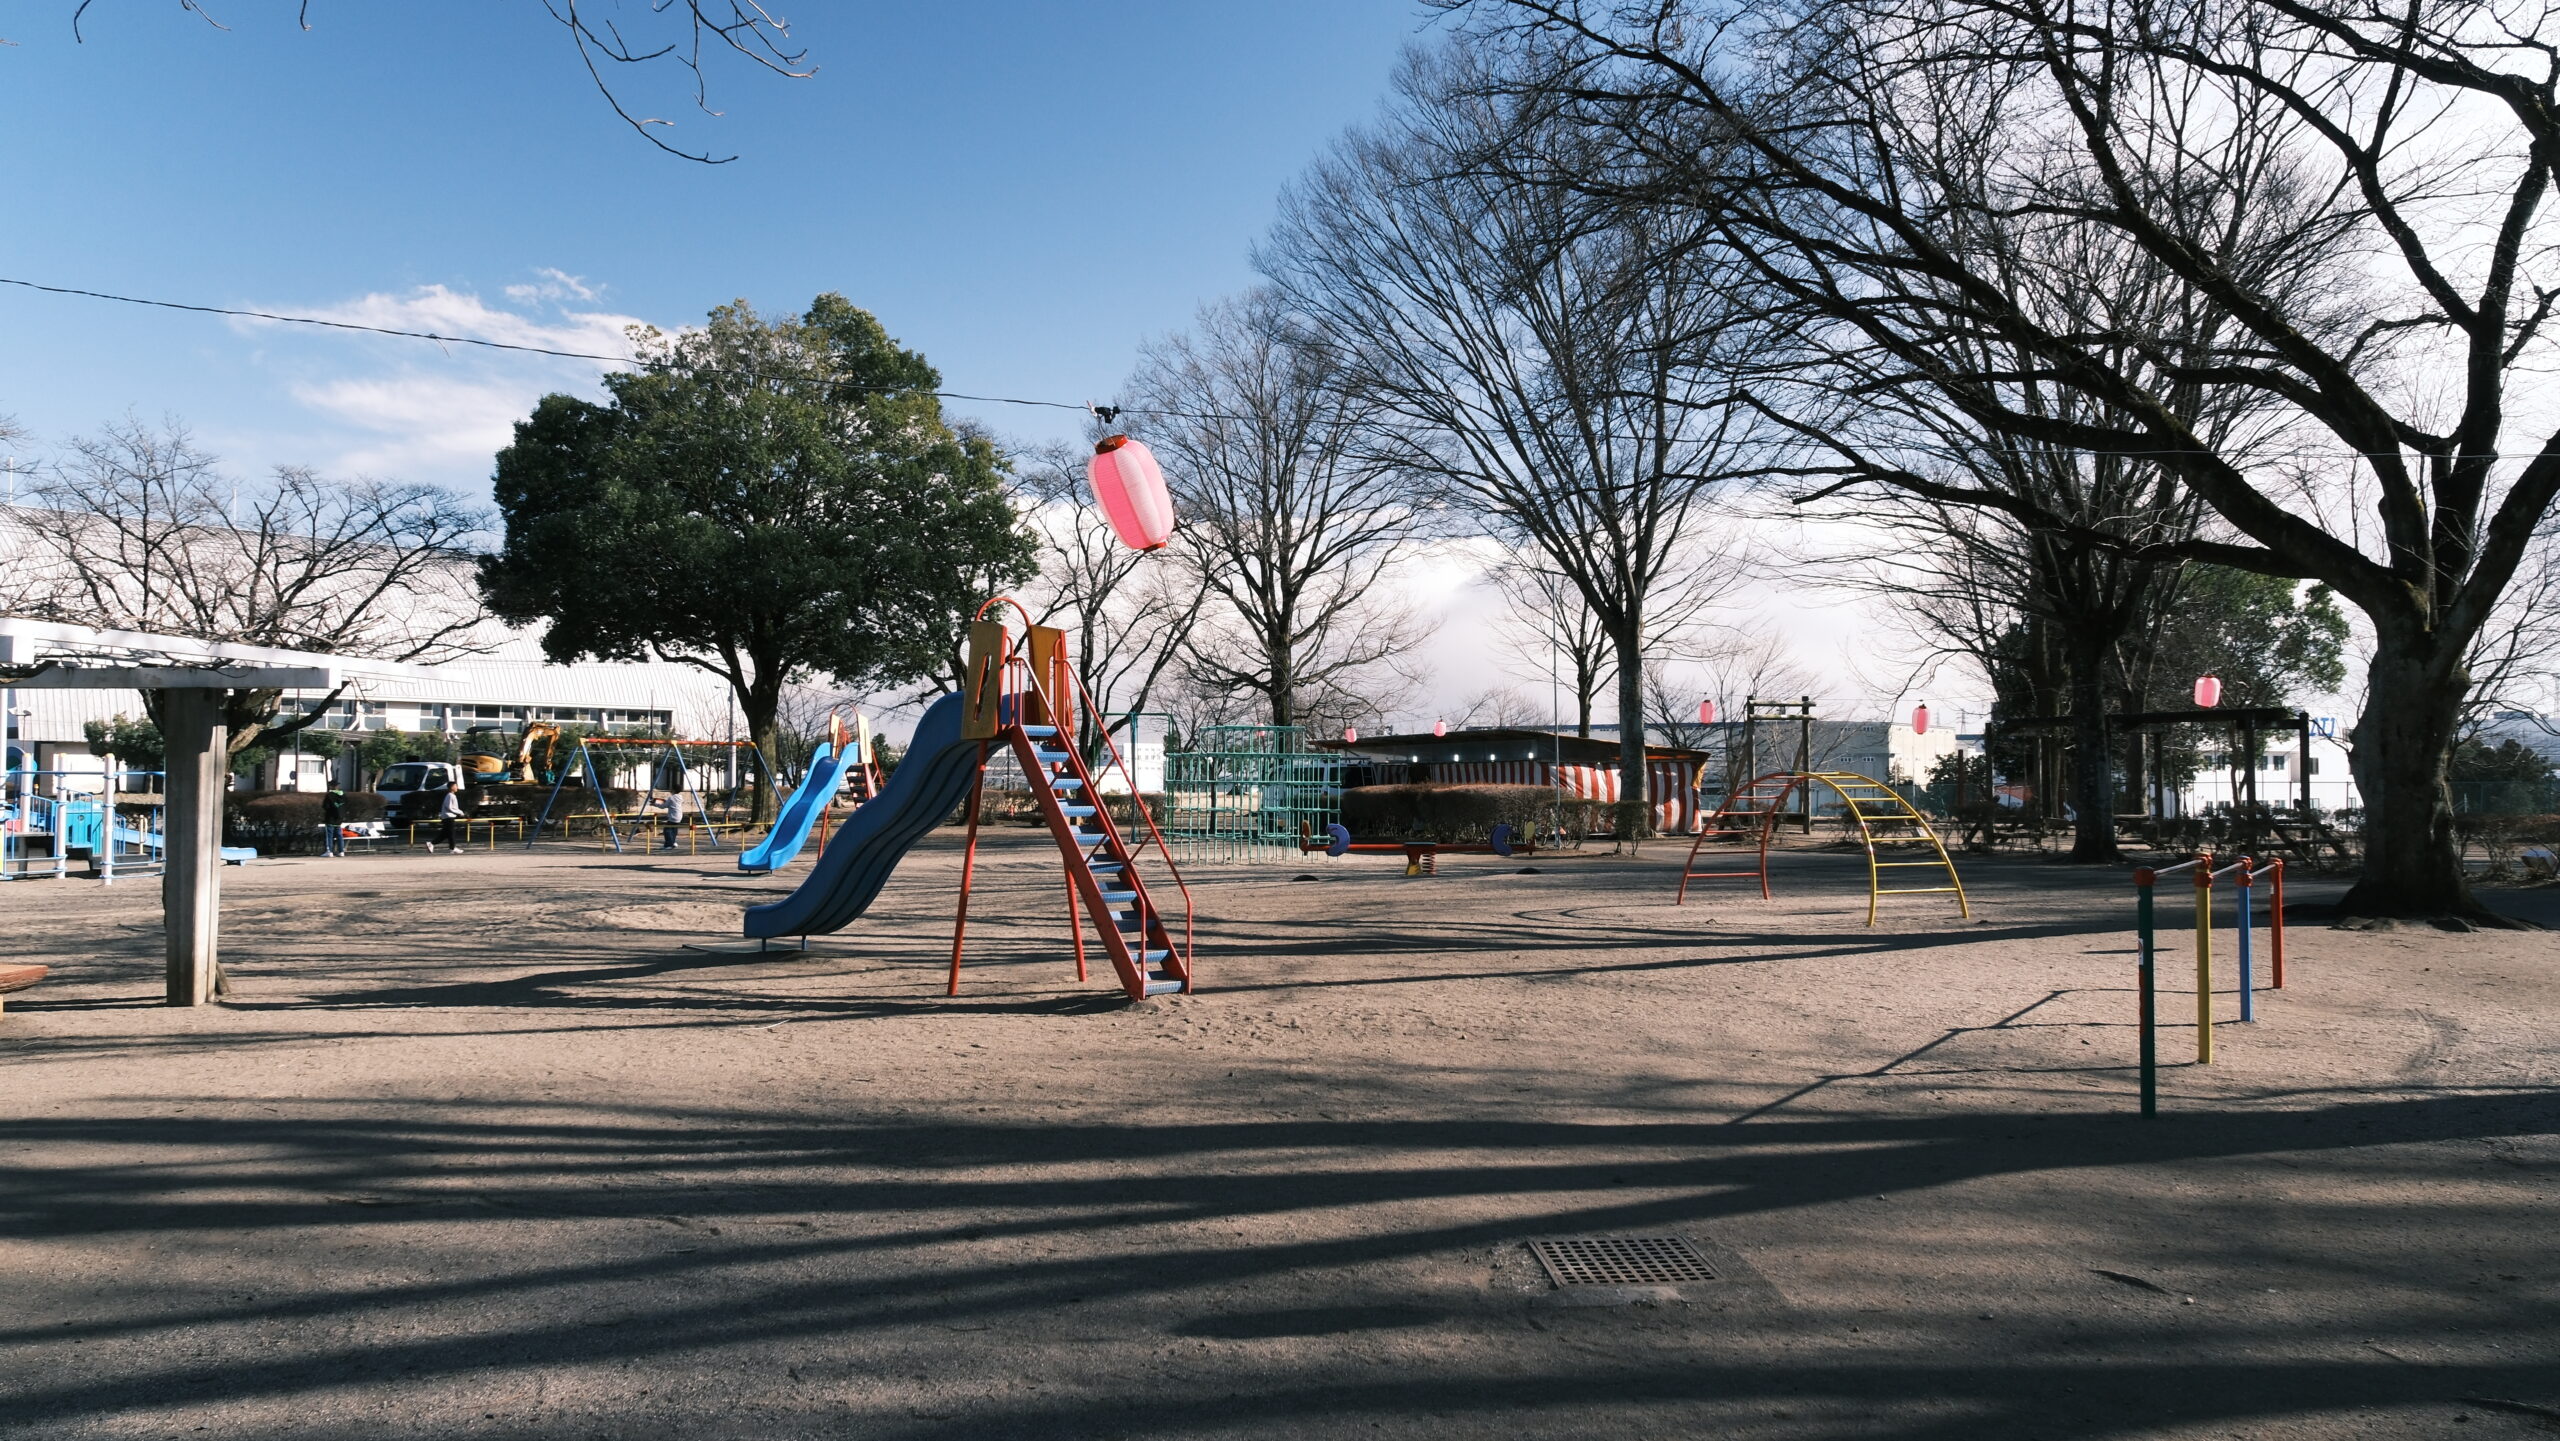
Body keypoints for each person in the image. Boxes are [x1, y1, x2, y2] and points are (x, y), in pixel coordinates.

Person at [437, 776, 464, 855]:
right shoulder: (450, 795)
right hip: (449, 817)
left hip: (448, 816)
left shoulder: (450, 795)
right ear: (452, 787)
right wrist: (460, 812)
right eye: (455, 786)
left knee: (446, 834)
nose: (457, 787)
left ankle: (432, 844)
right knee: (450, 834)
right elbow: (449, 807)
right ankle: (452, 848)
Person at [321, 783, 347, 858]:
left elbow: (325, 806)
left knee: (329, 835)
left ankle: (329, 851)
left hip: (330, 818)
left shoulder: (329, 795)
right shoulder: (343, 795)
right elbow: (345, 805)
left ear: (331, 786)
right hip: (339, 818)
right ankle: (341, 851)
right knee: (339, 835)